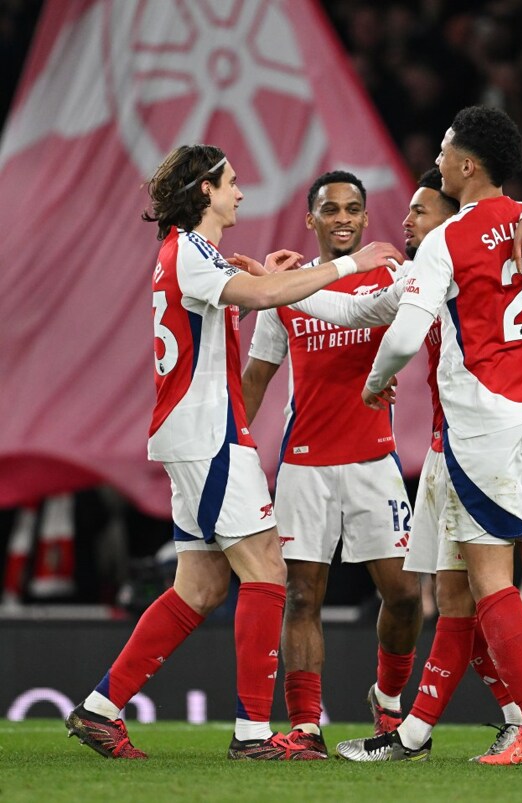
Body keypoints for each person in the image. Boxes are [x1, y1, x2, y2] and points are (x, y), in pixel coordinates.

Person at [63, 144, 404, 761]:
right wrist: (350, 265)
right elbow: (265, 299)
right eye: (231, 183)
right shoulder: (191, 252)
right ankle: (252, 735)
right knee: (269, 571)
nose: (241, 193)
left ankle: (100, 709)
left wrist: (271, 278)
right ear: (206, 191)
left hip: (196, 433)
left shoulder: (190, 253)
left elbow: (257, 294)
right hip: (209, 434)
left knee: (198, 588)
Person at [291, 171, 522, 762]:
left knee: (472, 594)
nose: (407, 222)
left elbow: (375, 324)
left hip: (471, 444)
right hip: (493, 437)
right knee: (465, 596)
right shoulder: (432, 271)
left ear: (451, 216)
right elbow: (351, 309)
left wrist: (373, 380)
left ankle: (508, 727)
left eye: (420, 212)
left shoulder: (450, 260)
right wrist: (273, 284)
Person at [347, 106, 522, 765]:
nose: (436, 160)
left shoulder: (448, 241)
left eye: (443, 150)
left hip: (483, 426)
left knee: (490, 580)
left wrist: (376, 380)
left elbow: (405, 333)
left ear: (466, 164)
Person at [242, 171, 424, 757]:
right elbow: (257, 377)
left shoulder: (388, 274)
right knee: (301, 596)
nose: (342, 218)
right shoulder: (283, 294)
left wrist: (388, 371)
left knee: (404, 595)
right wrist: (232, 444)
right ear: (311, 219)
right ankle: (305, 727)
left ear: (366, 218)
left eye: (352, 209)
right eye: (330, 209)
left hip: (374, 460)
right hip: (304, 464)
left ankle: (388, 701)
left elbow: (401, 329)